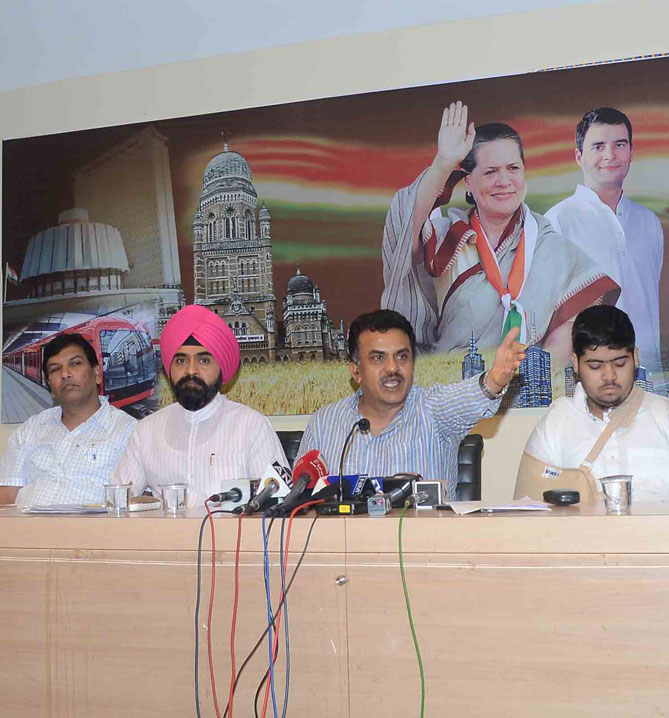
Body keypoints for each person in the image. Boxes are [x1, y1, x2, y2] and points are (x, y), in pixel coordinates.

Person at [381, 101, 618, 363]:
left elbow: (575, 320)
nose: (504, 181)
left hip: (526, 391)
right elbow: (401, 230)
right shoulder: (448, 238)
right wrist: (443, 164)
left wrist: (535, 383)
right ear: (468, 182)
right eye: (491, 171)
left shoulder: (548, 245)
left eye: (513, 168)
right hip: (452, 388)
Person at [299, 309, 524, 498]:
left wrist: (495, 379)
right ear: (356, 371)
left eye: (402, 356)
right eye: (378, 358)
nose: (392, 368)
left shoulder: (433, 410)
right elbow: (300, 500)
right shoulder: (324, 423)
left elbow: (468, 397)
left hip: (424, 547)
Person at [521, 305, 669, 500]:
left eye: (620, 363)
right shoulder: (556, 422)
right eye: (595, 366)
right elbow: (527, 509)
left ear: (635, 358)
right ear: (576, 364)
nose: (609, 376)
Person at [115, 305, 287, 507]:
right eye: (180, 360)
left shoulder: (251, 426)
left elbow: (278, 504)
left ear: (220, 367)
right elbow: (118, 499)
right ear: (169, 369)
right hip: (166, 537)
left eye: (203, 360)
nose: (191, 371)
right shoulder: (146, 431)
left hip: (234, 537)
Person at [546, 107, 664, 378]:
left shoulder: (649, 222)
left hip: (649, 379)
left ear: (631, 152)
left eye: (619, 145)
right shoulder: (557, 222)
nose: (610, 155)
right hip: (589, 384)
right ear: (579, 157)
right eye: (598, 146)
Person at [0, 333, 136, 506]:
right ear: (50, 386)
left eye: (75, 364)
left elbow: (131, 504)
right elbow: (6, 497)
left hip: (92, 531)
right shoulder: (29, 430)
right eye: (55, 369)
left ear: (97, 374)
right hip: (26, 530)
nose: (65, 374)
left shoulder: (128, 431)